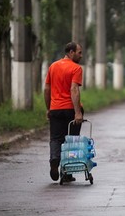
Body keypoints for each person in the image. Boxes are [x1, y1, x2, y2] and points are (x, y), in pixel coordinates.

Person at [44, 42, 84, 182]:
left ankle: (54, 159)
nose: (81, 55)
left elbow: (47, 89)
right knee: (71, 141)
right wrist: (78, 112)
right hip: (70, 110)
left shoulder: (53, 66)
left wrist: (48, 108)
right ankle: (67, 173)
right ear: (71, 52)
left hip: (55, 109)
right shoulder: (76, 68)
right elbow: (74, 89)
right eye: (79, 52)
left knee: (55, 138)